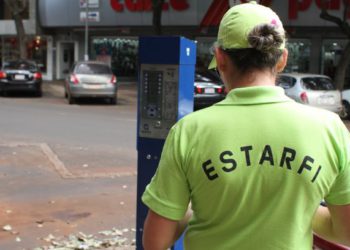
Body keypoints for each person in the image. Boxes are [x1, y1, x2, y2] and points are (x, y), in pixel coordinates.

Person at [141, 1, 350, 249]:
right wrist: (300, 208)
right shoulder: (329, 129)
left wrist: (190, 208)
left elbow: (155, 242)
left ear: (220, 58)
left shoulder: (189, 131)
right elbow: (345, 232)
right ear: (282, 59)